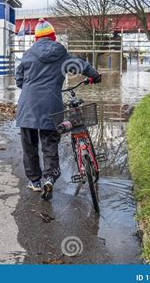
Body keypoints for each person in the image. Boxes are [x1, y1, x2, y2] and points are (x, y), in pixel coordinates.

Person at [15, 19, 101, 200]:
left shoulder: (28, 54)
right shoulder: (61, 54)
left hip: (27, 106)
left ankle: (35, 182)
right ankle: (50, 178)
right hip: (51, 105)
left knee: (29, 146)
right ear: (53, 37)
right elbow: (81, 66)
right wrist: (95, 75)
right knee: (49, 143)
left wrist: (30, 86)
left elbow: (19, 80)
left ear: (36, 38)